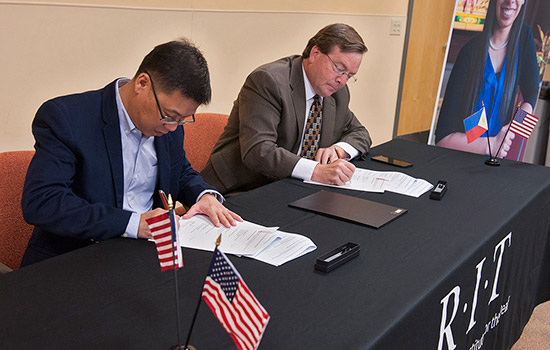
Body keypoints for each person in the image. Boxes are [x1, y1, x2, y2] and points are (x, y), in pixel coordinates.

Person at [20, 38, 242, 266]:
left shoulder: (167, 126)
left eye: (181, 120)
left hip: (142, 255)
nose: (173, 127)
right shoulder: (67, 118)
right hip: (76, 257)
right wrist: (134, 224)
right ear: (142, 84)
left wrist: (203, 195)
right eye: (169, 115)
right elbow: (42, 202)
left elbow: (180, 170)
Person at [200, 23, 372, 195]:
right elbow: (258, 150)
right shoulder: (268, 81)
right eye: (339, 69)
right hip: (241, 189)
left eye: (349, 76)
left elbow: (360, 133)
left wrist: (339, 150)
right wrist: (316, 171)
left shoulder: (337, 93)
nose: (342, 81)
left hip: (290, 188)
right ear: (315, 53)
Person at [435, 0, 539, 158]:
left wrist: (514, 127)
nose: (511, 2)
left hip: (496, 162)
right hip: (463, 159)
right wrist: (491, 145)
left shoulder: (524, 38)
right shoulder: (469, 52)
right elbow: (442, 138)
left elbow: (531, 95)